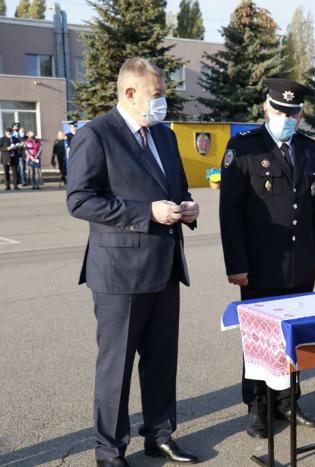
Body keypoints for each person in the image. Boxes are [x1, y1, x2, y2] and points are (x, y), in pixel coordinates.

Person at [66, 58, 200, 466]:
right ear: (130, 93)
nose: (163, 102)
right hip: (119, 275)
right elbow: (80, 200)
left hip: (165, 267)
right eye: (157, 94)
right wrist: (146, 213)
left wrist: (187, 208)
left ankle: (159, 435)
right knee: (117, 368)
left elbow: (176, 188)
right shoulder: (96, 135)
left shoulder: (164, 135)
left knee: (161, 361)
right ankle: (109, 451)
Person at [219, 77, 315, 439]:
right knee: (259, 338)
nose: (287, 119)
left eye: (293, 113)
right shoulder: (244, 148)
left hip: (300, 264)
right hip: (260, 265)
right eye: (281, 111)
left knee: (292, 338)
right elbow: (230, 212)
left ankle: (287, 400)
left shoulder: (308, 149)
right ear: (266, 108)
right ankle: (258, 405)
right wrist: (236, 264)